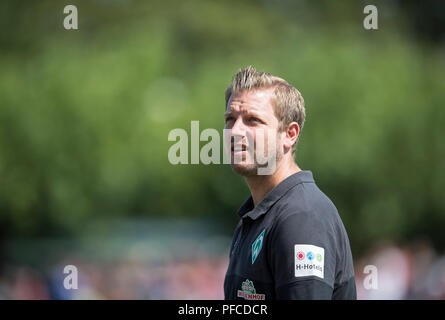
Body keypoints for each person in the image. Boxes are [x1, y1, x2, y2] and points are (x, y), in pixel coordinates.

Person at [223, 66, 356, 300]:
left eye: (253, 121)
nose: (235, 131)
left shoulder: (302, 216)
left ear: (289, 134)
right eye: (230, 119)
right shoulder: (255, 216)